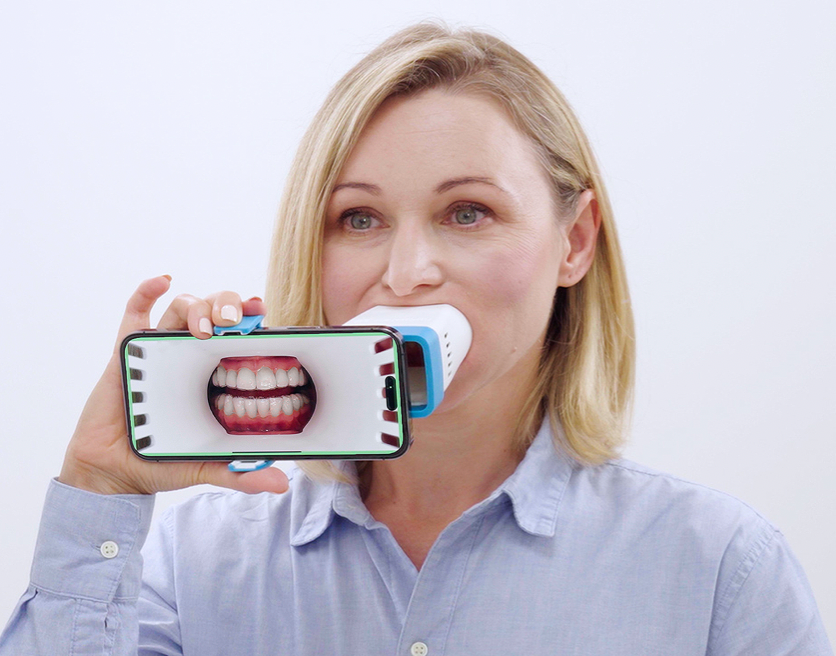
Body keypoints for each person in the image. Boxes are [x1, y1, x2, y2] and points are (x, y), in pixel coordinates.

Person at [1, 19, 831, 655]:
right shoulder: (182, 567)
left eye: (467, 212)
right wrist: (100, 490)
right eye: (358, 218)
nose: (406, 271)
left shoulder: (721, 572)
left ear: (574, 243)